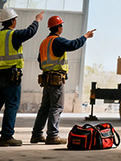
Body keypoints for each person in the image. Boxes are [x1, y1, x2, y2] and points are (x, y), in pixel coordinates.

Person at [0, 8, 44, 147]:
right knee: (11, 106)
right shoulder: (13, 35)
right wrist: (37, 20)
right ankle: (6, 137)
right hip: (11, 77)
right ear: (13, 21)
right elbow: (30, 32)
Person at [31, 16, 95, 145]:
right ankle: (52, 135)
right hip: (55, 80)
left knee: (44, 108)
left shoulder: (44, 43)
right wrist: (86, 36)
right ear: (59, 27)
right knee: (56, 107)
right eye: (61, 26)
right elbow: (73, 44)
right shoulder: (57, 41)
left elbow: (40, 61)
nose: (62, 28)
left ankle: (36, 135)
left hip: (46, 78)